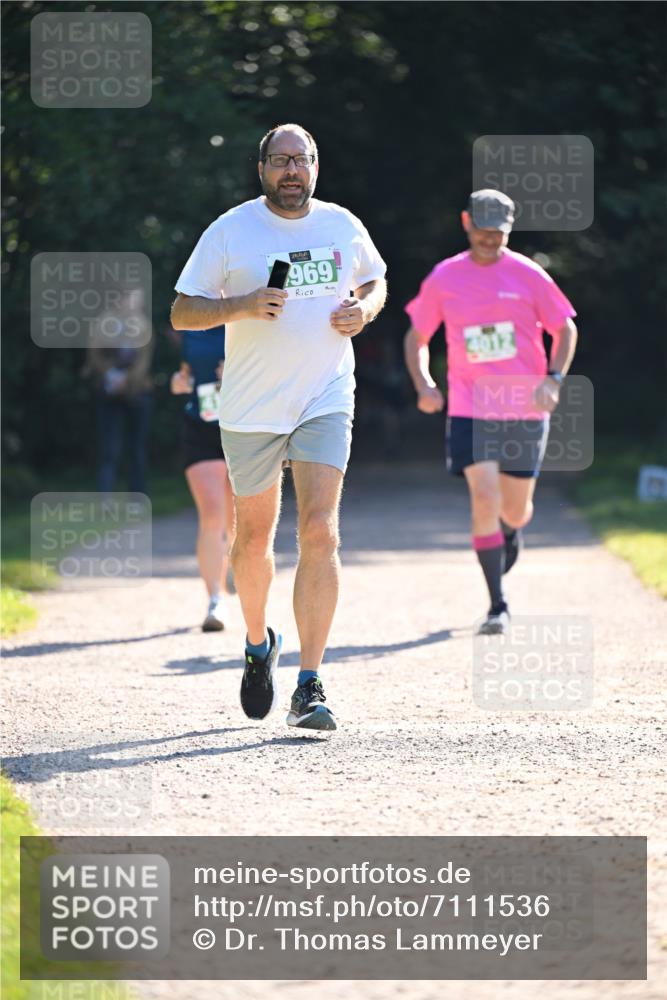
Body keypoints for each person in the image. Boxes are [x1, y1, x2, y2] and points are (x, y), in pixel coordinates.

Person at [171, 123, 387, 730]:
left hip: (324, 394)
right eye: (280, 161)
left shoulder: (342, 224)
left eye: (302, 160)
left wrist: (363, 310)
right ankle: (257, 641)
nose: (292, 171)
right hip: (251, 406)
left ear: (317, 166)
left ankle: (310, 682)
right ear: (261, 167)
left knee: (320, 530)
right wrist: (242, 305)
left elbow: (375, 280)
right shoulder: (230, 229)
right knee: (253, 539)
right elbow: (184, 310)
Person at [404, 189, 578, 635]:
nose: (488, 238)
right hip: (469, 406)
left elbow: (565, 328)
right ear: (466, 222)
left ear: (509, 229)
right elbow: (416, 336)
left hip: (524, 407)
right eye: (482, 229)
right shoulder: (445, 277)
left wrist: (554, 379)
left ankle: (510, 532)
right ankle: (497, 603)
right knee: (483, 495)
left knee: (515, 511)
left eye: (498, 232)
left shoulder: (528, 274)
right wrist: (424, 383)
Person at [169, 324, 235, 632]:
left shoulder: (252, 308)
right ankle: (215, 599)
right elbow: (182, 375)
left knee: (238, 521)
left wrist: (237, 374)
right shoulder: (188, 320)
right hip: (202, 424)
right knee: (212, 515)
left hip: (245, 425)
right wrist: (180, 382)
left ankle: (235, 574)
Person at [85, 289, 153, 494]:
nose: (134, 305)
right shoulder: (104, 323)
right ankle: (105, 496)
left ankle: (137, 496)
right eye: (131, 299)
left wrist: (128, 379)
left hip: (138, 391)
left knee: (137, 448)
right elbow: (94, 353)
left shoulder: (144, 325)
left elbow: (144, 360)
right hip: (108, 391)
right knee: (109, 449)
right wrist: (110, 374)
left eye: (138, 301)